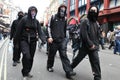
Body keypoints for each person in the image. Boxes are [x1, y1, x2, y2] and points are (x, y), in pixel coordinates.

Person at [14, 6, 46, 80]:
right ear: (29, 11)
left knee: (31, 58)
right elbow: (18, 31)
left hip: (33, 41)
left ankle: (27, 71)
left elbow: (40, 31)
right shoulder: (24, 20)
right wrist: (15, 42)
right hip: (24, 40)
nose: (33, 12)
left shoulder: (36, 21)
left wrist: (43, 39)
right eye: (32, 11)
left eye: (34, 11)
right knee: (26, 56)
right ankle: (24, 73)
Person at [71, 6, 101, 80]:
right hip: (85, 46)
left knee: (96, 61)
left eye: (95, 10)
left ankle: (97, 77)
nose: (93, 12)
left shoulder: (97, 23)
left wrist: (96, 45)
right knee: (78, 59)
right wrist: (90, 44)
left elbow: (98, 35)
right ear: (89, 11)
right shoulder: (85, 21)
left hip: (94, 47)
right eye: (92, 10)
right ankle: (69, 68)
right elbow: (84, 34)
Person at [46, 4, 76, 79]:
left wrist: (66, 38)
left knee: (64, 55)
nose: (63, 10)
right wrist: (49, 37)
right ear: (59, 9)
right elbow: (49, 27)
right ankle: (49, 66)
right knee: (51, 54)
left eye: (64, 9)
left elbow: (65, 29)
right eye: (61, 9)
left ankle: (68, 72)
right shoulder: (53, 17)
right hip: (54, 40)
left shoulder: (65, 19)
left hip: (62, 40)